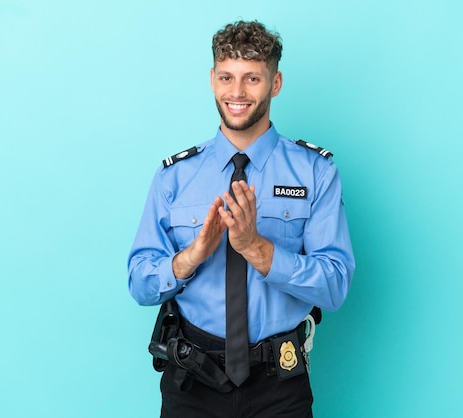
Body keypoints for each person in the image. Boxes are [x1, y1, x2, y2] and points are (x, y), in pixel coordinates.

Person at [128, 20, 355, 418]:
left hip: (279, 385)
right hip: (191, 382)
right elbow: (140, 284)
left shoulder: (314, 173)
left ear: (276, 83)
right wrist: (191, 257)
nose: (237, 92)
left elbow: (334, 286)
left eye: (252, 78)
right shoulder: (174, 177)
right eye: (227, 77)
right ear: (212, 80)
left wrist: (258, 249)